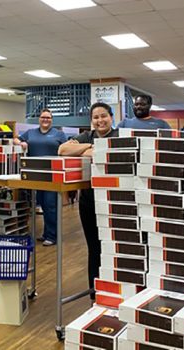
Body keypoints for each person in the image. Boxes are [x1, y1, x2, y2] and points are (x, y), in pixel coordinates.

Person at [58, 102, 118, 299]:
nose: (100, 120)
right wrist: (91, 147)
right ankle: (95, 293)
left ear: (111, 117)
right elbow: (63, 150)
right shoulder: (87, 137)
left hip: (115, 202)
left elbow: (110, 156)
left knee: (115, 246)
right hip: (89, 202)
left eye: (104, 116)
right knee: (94, 247)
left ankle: (116, 290)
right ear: (91, 121)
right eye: (96, 117)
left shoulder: (120, 137)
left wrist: (85, 150)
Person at [14, 108, 67, 246]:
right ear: (39, 119)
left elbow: (67, 149)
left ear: (51, 120)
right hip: (36, 175)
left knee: (50, 205)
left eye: (48, 118)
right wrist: (21, 143)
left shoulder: (59, 134)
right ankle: (46, 234)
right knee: (42, 204)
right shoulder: (30, 133)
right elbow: (15, 139)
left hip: (52, 175)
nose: (45, 120)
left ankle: (52, 236)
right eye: (43, 117)